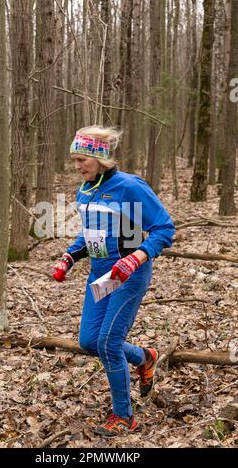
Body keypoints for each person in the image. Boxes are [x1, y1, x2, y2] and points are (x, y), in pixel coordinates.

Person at [51, 126, 175, 437]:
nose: (77, 166)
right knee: (89, 342)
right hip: (101, 275)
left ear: (100, 158)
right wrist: (69, 257)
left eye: (82, 160)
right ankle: (145, 358)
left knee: (108, 342)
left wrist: (137, 257)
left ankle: (124, 415)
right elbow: (89, 233)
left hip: (128, 275)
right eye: (75, 160)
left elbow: (164, 228)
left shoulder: (129, 187)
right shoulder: (86, 190)